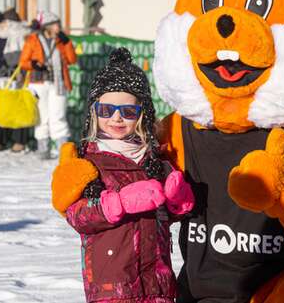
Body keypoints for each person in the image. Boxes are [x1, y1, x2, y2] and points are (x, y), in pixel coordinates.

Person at [51, 48, 195, 303]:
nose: (116, 118)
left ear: (142, 114)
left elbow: (170, 216)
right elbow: (79, 216)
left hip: (157, 285)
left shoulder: (154, 161)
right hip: (112, 289)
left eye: (128, 111)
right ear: (94, 112)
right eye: (107, 110)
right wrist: (119, 202)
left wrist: (178, 199)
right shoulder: (88, 164)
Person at [20, 11, 77, 159]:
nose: (59, 26)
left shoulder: (61, 41)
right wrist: (33, 64)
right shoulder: (32, 39)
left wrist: (68, 43)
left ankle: (63, 150)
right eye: (56, 24)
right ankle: (43, 150)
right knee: (41, 117)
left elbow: (71, 60)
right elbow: (23, 62)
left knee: (58, 116)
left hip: (58, 83)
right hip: (38, 83)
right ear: (47, 26)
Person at [0, 8, 31, 153]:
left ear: (7, 22)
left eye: (3, 21)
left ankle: (6, 141)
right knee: (8, 107)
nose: (0, 24)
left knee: (12, 107)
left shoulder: (7, 34)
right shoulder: (13, 33)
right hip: (11, 74)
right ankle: (9, 141)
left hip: (14, 73)